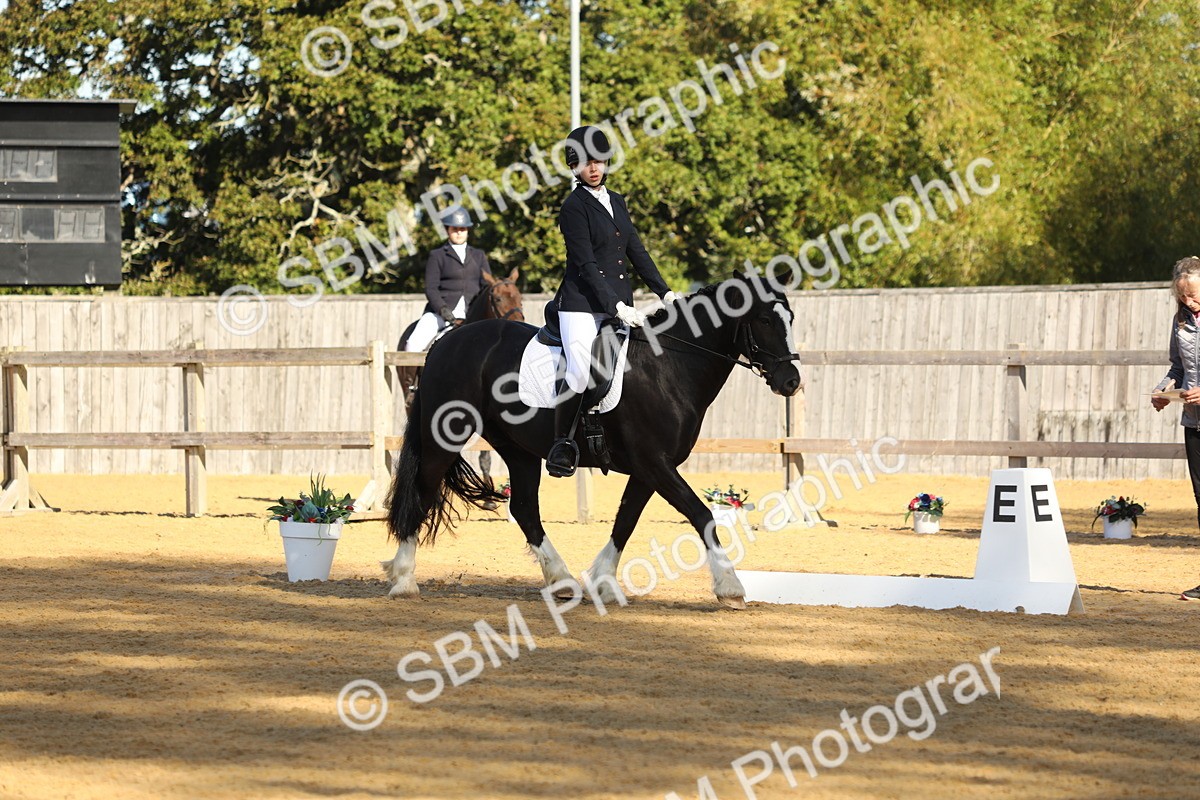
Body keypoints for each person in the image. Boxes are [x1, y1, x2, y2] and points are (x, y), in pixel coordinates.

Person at [545, 125, 680, 477]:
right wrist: (615, 306)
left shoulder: (616, 200)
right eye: (586, 162)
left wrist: (664, 291)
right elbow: (586, 264)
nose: (593, 168)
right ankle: (562, 443)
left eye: (599, 161)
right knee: (578, 371)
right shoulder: (573, 208)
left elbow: (636, 250)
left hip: (619, 305)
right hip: (581, 306)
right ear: (574, 166)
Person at [1150, 255, 1200, 600]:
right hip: (1194, 423)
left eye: (1193, 295)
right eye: (1182, 296)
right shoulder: (1180, 321)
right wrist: (1163, 390)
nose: (1188, 301)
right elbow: (1177, 367)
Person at [404, 205, 493, 352]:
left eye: (462, 229)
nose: (459, 233)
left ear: (468, 230)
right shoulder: (437, 255)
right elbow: (431, 288)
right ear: (447, 230)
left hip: (472, 313)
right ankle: (412, 375)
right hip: (441, 313)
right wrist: (442, 309)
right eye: (454, 229)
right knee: (413, 345)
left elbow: (486, 285)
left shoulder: (479, 255)